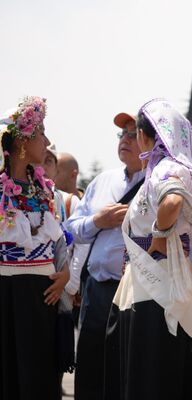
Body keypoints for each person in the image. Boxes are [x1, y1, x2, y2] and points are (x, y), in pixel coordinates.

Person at [106, 98, 192, 399]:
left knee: (152, 372)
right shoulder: (158, 170)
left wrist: (160, 235)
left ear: (144, 135)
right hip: (148, 282)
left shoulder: (167, 169)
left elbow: (173, 201)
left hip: (157, 284)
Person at [66, 111, 144, 400]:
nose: (125, 139)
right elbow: (70, 232)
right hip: (96, 292)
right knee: (90, 372)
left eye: (133, 134)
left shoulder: (159, 185)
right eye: (122, 134)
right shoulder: (102, 181)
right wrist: (98, 221)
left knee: (125, 376)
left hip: (136, 295)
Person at [0, 96, 69, 399]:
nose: (48, 142)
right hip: (5, 295)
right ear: (24, 142)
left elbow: (59, 242)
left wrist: (65, 274)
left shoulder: (46, 192)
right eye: (41, 134)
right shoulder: (1, 192)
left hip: (43, 296)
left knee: (39, 379)